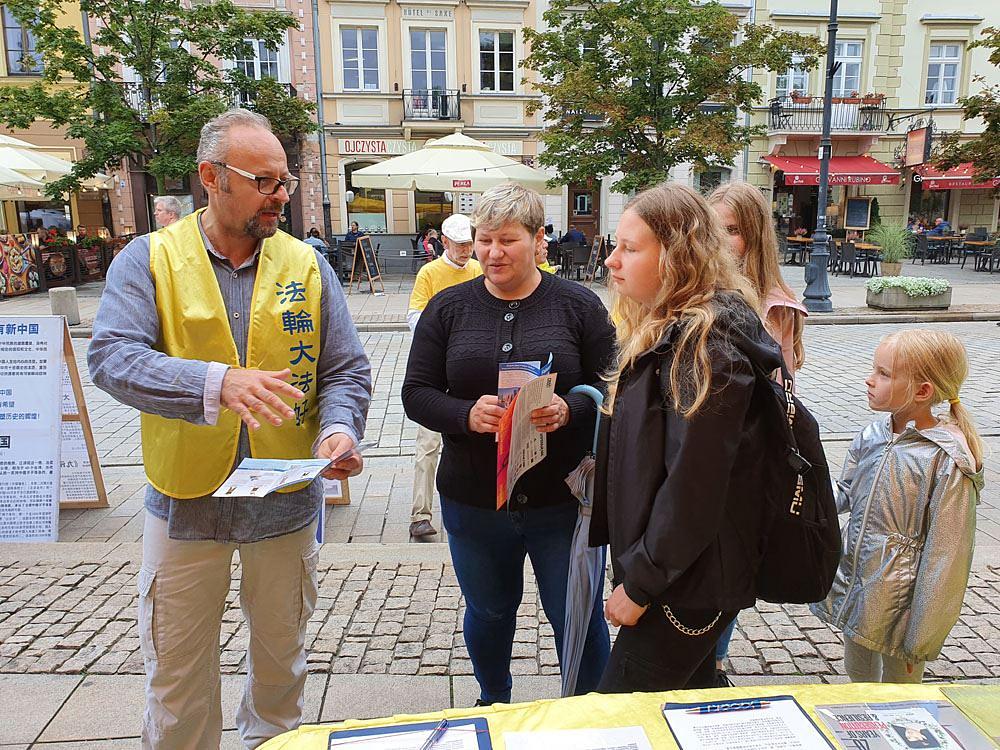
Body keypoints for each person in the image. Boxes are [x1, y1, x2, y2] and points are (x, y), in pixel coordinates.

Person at [88, 109, 373, 749]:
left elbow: (346, 370)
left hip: (285, 505)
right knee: (178, 678)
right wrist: (217, 383)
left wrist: (338, 431)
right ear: (210, 177)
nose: (280, 195)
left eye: (286, 182)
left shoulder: (308, 264)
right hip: (186, 504)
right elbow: (111, 358)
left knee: (281, 672)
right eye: (265, 181)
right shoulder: (149, 259)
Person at [401, 181, 613, 704]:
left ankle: (591, 708)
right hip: (474, 498)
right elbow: (415, 393)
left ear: (538, 239)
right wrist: (465, 414)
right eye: (484, 239)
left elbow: (614, 386)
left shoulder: (578, 305)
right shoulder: (449, 308)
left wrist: (572, 408)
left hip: (561, 500)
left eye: (508, 240)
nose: (493, 253)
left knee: (576, 614)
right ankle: (493, 699)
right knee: (489, 611)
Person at [594, 182, 780, 693]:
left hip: (687, 583)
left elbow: (694, 488)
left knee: (619, 717)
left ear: (678, 255)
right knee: (685, 713)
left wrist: (641, 582)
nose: (612, 261)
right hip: (682, 575)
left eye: (630, 249)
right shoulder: (672, 329)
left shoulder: (707, 346)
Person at [812, 329, 984, 683]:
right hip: (860, 589)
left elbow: (946, 556)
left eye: (884, 374)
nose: (869, 380)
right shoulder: (871, 436)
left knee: (900, 690)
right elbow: (846, 492)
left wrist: (922, 635)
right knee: (858, 673)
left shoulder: (945, 461)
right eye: (874, 370)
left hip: (903, 605)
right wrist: (801, 488)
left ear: (922, 391)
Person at [707, 181, 808, 686]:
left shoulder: (775, 305)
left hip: (746, 456)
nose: (723, 242)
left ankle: (715, 662)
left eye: (734, 231)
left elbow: (783, 390)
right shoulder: (694, 289)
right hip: (695, 450)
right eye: (715, 229)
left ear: (754, 237)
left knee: (730, 565)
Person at [405, 213, 482, 538]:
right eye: (461, 245)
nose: (466, 251)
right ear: (445, 243)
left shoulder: (478, 270)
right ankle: (420, 514)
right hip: (439, 369)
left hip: (471, 370)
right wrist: (446, 335)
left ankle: (477, 505)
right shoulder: (430, 272)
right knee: (428, 443)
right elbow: (414, 315)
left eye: (469, 244)